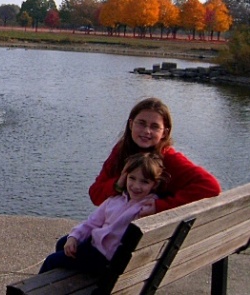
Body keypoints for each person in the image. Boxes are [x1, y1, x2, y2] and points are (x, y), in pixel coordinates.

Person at [39, 152, 169, 274]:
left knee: (52, 260)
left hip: (105, 259)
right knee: (64, 243)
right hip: (99, 249)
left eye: (144, 182)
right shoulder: (116, 200)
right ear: (125, 177)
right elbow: (92, 222)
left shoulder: (146, 208)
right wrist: (74, 236)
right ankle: (65, 282)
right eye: (132, 178)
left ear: (155, 184)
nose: (136, 186)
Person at [89, 97, 221, 216]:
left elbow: (211, 186)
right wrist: (118, 184)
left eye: (155, 127)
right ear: (130, 124)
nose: (147, 131)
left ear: (165, 132)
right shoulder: (121, 151)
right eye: (141, 123)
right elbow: (95, 195)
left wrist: (161, 206)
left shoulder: (170, 159)